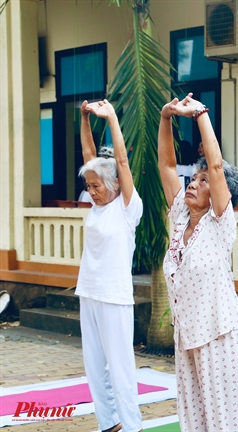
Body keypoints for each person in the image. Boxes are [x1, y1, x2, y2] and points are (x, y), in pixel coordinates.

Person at [158, 94, 238, 431]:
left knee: (224, 422)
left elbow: (215, 165)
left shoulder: (220, 223)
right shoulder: (181, 216)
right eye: (193, 180)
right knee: (194, 421)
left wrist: (199, 113)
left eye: (203, 182)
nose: (194, 184)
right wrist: (166, 118)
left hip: (219, 337)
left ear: (219, 191)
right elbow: (167, 166)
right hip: (187, 337)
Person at [76, 100, 144, 432]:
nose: (91, 192)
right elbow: (89, 153)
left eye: (96, 186)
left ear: (114, 183)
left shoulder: (128, 207)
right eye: (89, 186)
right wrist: (84, 117)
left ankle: (132, 427)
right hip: (88, 291)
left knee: (120, 368)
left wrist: (113, 117)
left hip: (115, 297)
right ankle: (109, 424)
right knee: (94, 366)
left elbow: (121, 161)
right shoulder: (96, 200)